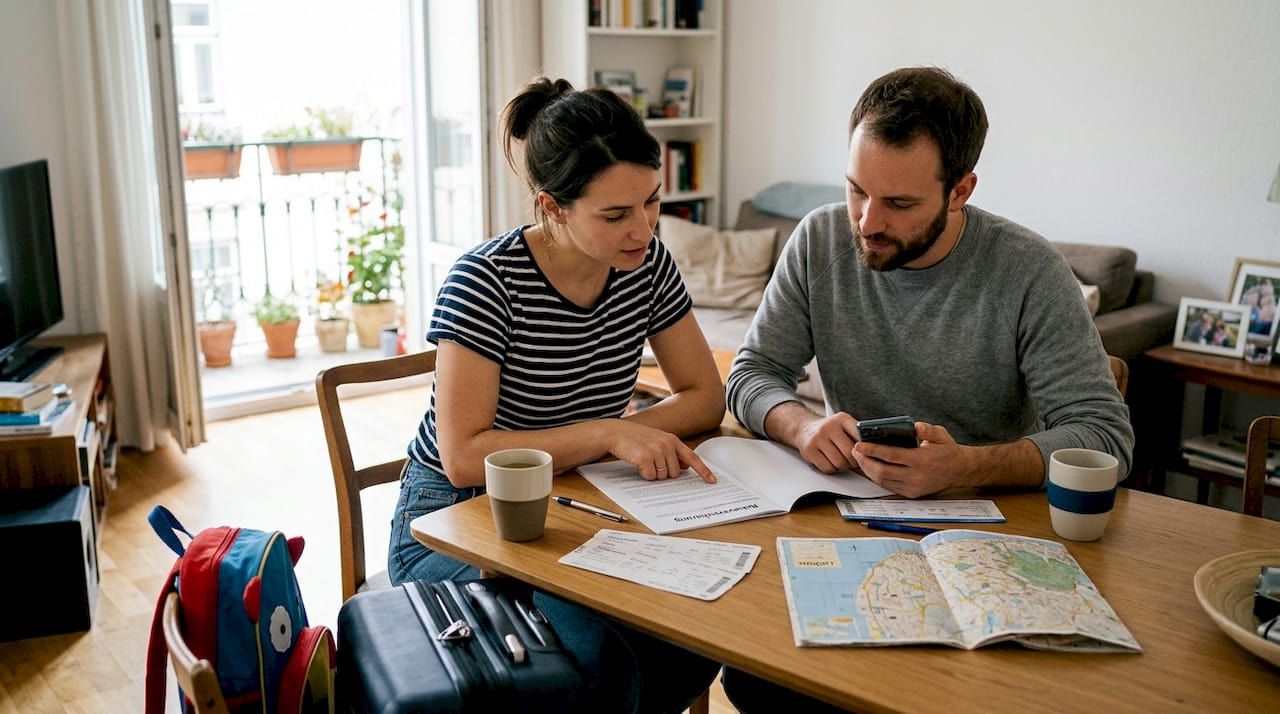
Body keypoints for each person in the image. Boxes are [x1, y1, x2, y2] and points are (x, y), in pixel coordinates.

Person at [721, 66, 1134, 711]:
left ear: (961, 190)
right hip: (852, 524)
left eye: (900, 204)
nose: (866, 221)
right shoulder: (821, 237)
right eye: (857, 190)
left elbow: (1104, 438)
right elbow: (751, 375)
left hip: (996, 542)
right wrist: (799, 425)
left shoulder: (1029, 273)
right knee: (756, 678)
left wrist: (966, 464)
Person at [387, 76, 725, 712]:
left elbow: (706, 395)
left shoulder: (647, 264)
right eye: (616, 214)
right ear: (553, 206)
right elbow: (465, 457)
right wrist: (609, 431)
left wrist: (631, 433)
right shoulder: (486, 281)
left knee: (696, 641)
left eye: (652, 202)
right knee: (600, 662)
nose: (644, 228)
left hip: (580, 495)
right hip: (453, 517)